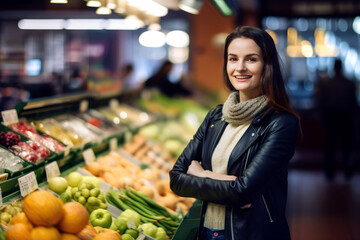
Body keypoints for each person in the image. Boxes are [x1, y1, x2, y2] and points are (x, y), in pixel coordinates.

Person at [169, 26, 300, 240]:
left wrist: (202, 174)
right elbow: (176, 177)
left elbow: (242, 191)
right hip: (205, 232)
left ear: (267, 65)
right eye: (232, 59)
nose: (240, 68)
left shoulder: (281, 123)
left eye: (251, 59)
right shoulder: (216, 117)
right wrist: (227, 182)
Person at [316, 59, 359, 180]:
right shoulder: (349, 84)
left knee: (330, 146)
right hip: (345, 118)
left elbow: (321, 102)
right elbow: (354, 104)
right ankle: (347, 170)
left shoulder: (326, 84)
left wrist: (322, 116)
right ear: (342, 68)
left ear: (334, 68)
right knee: (346, 146)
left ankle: (330, 173)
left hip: (331, 117)